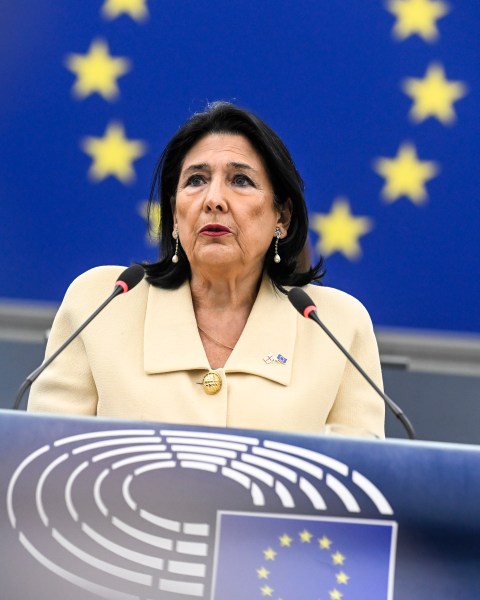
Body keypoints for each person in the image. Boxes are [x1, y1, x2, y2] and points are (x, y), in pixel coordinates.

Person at [28, 102, 384, 436]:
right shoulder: (101, 302)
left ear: (283, 217)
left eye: (240, 180)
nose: (213, 200)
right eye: (196, 180)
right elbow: (41, 464)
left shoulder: (338, 325)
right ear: (174, 214)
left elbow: (358, 489)